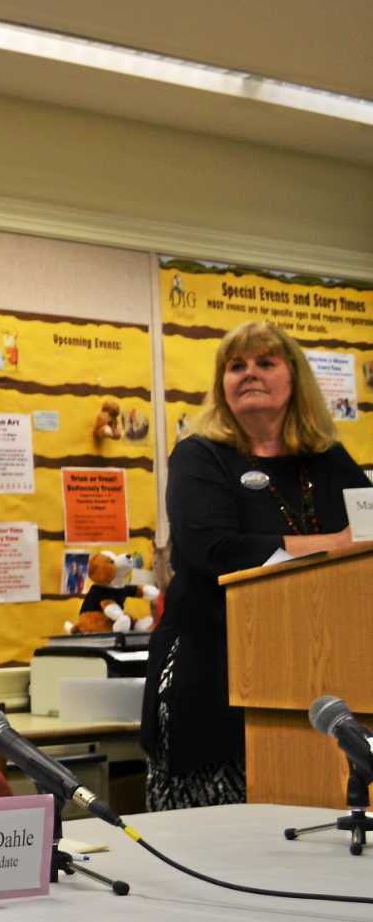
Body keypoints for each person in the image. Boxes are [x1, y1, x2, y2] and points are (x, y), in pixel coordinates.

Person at [142, 320, 367, 809]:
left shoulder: (330, 460)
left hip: (321, 677)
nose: (249, 374)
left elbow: (367, 546)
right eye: (235, 366)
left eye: (265, 363)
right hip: (213, 678)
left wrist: (349, 546)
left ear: (295, 380)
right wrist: (335, 543)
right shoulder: (200, 456)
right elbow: (214, 550)